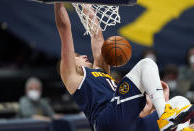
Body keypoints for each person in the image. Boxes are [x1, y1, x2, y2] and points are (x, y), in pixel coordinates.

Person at [54, 3, 194, 131]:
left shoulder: (99, 71)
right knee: (146, 64)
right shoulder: (72, 76)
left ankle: (173, 123)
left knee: (180, 102)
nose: (83, 55)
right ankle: (165, 115)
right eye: (77, 56)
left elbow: (96, 35)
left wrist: (85, 5)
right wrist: (58, 2)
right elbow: (64, 28)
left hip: (126, 124)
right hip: (106, 121)